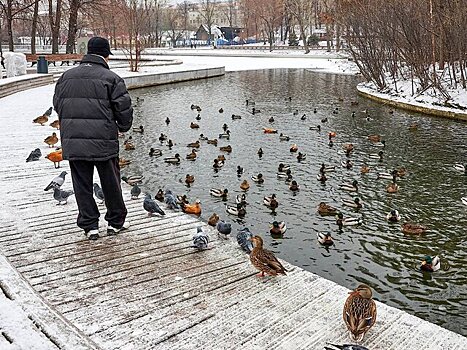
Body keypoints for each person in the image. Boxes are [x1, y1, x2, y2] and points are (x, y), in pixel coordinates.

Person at [53, 36, 133, 241]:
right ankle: (115, 223)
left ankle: (90, 226)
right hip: (103, 141)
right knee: (111, 182)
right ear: (106, 55)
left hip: (74, 141)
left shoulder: (65, 77)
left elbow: (58, 105)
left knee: (82, 184)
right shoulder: (112, 78)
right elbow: (123, 109)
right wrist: (122, 127)